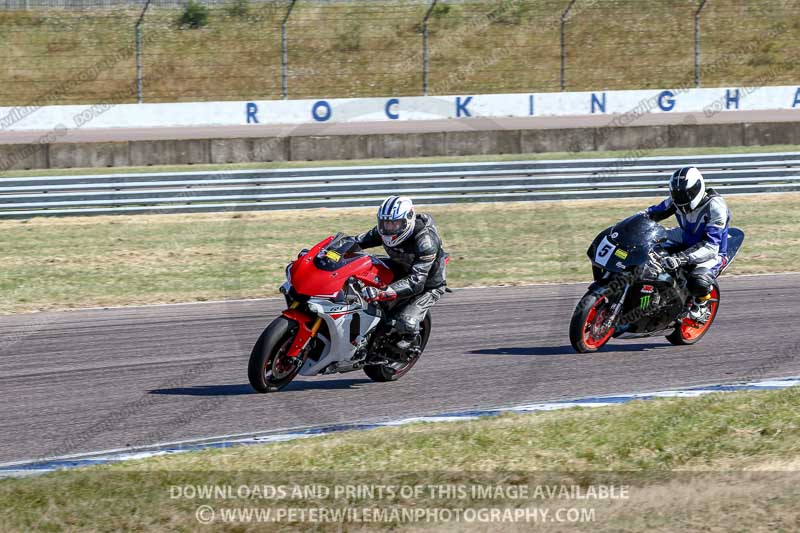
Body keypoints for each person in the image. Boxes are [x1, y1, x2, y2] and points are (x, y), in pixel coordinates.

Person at [353, 195, 448, 352]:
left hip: (427, 284)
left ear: (408, 219)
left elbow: (416, 283)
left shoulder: (426, 242)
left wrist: (381, 292)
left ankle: (410, 340)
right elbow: (356, 241)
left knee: (406, 321)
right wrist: (328, 249)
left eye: (395, 223)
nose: (389, 228)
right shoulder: (383, 231)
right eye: (385, 223)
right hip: (400, 268)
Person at [645, 166, 730, 321]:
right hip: (685, 236)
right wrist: (629, 223)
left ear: (697, 188)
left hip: (713, 251)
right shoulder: (676, 201)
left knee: (698, 279)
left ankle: (701, 305)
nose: (681, 199)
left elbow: (711, 246)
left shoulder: (716, 207)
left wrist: (680, 258)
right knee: (648, 244)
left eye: (685, 194)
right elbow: (650, 213)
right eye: (677, 194)